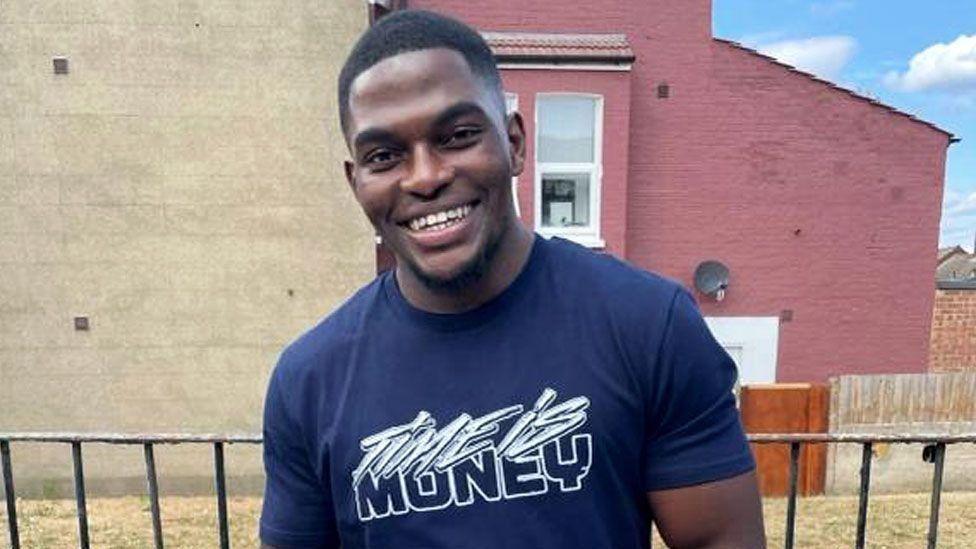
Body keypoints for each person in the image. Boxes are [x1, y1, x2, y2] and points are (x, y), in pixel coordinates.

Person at [260, 9, 765, 549]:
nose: (426, 177)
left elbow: (720, 539)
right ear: (355, 180)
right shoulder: (309, 380)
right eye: (384, 155)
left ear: (515, 143)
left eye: (457, 136)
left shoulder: (647, 326)